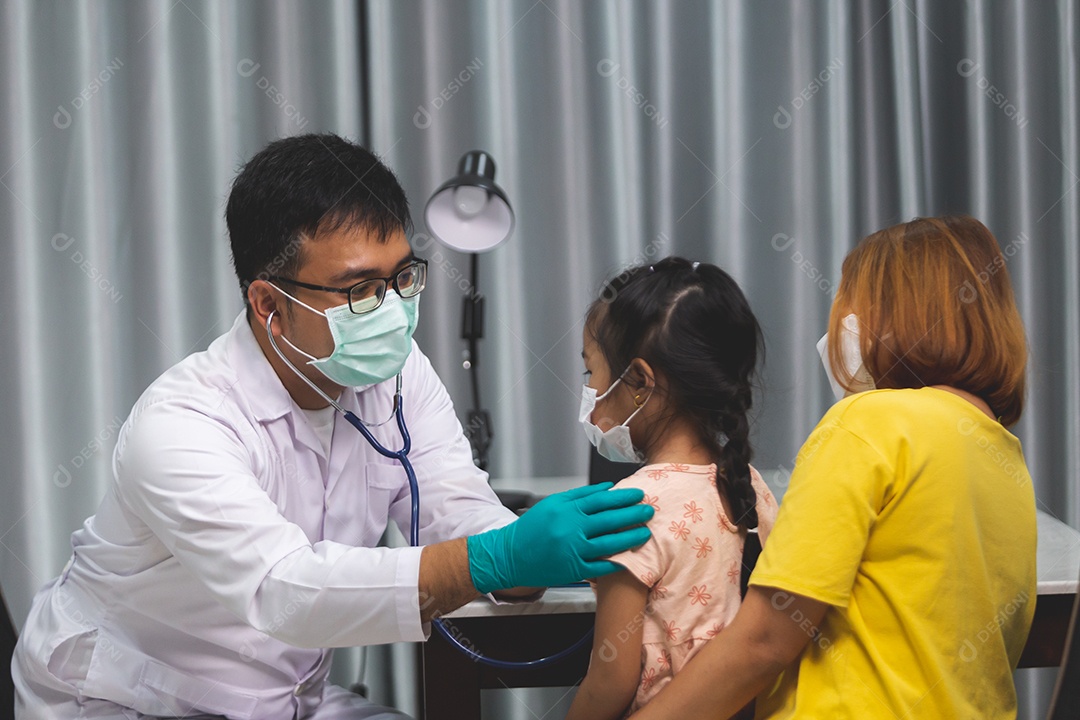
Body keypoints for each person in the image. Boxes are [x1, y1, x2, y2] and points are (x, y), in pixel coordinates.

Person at [12, 133, 654, 719]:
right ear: (269, 305)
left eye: (403, 276)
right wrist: (495, 558)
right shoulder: (182, 424)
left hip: (286, 702)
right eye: (359, 289)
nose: (394, 309)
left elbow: (458, 514)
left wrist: (524, 557)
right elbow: (287, 590)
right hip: (124, 698)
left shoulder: (398, 378)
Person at [631, 216, 1036, 719]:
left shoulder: (869, 423)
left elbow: (765, 641)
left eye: (850, 306)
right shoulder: (1001, 451)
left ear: (895, 317)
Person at [566, 258, 778, 720]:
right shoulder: (752, 489)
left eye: (591, 372)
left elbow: (610, 681)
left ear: (639, 382)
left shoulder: (631, 509)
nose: (590, 389)